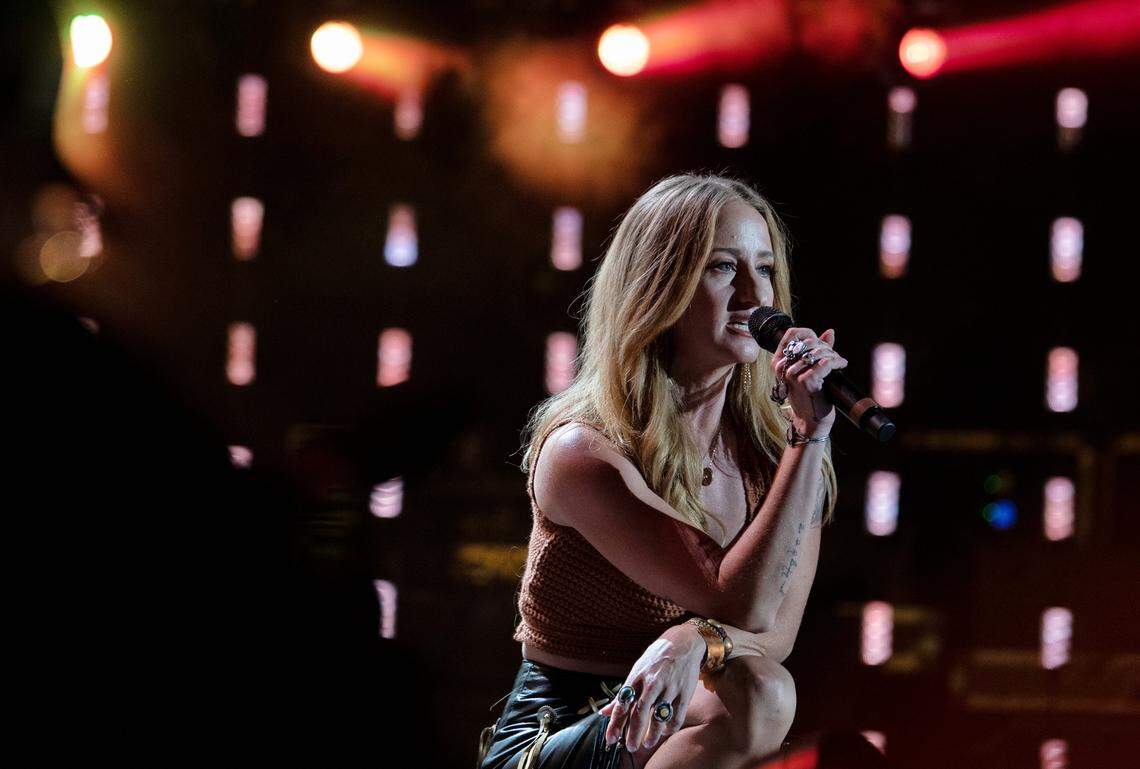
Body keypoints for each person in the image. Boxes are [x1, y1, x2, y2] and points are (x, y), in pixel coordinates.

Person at [477, 173, 846, 769]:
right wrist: (809, 438)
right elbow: (743, 606)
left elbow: (776, 632)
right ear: (660, 285)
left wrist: (690, 640)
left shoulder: (778, 454)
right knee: (757, 697)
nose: (757, 297)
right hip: (562, 734)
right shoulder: (583, 451)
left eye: (766, 269)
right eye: (724, 269)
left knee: (763, 687)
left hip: (679, 721)